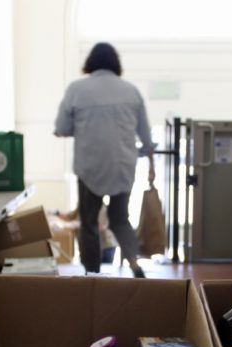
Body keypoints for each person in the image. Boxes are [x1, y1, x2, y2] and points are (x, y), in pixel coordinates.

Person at [54, 42, 156, 278]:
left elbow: (62, 127)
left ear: (90, 63)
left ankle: (92, 273)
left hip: (90, 167)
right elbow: (146, 136)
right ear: (116, 64)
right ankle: (133, 262)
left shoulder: (76, 90)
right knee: (120, 219)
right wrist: (150, 164)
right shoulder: (131, 91)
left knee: (89, 223)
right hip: (123, 166)